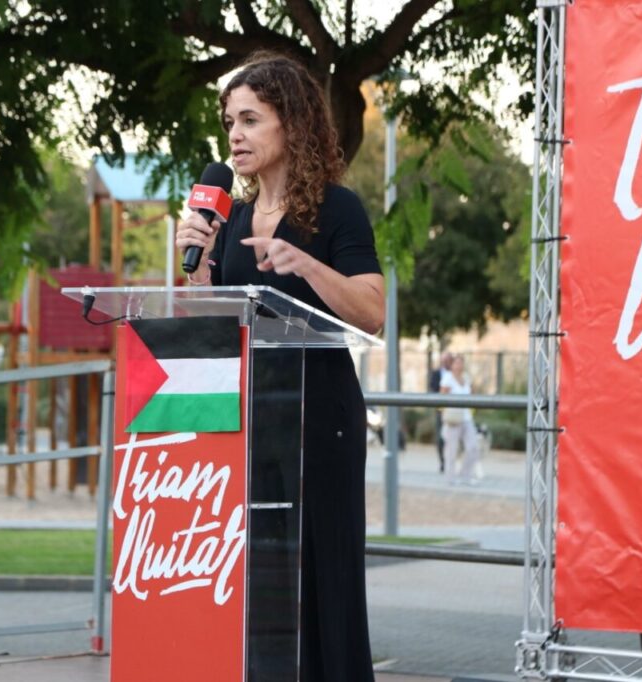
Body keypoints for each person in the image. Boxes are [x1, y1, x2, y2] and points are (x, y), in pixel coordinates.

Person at [175, 50, 385, 682]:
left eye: (250, 120)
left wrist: (303, 262)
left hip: (319, 422)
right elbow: (204, 329)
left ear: (289, 125)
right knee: (256, 583)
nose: (234, 135)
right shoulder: (230, 218)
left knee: (323, 578)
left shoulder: (336, 208)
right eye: (229, 122)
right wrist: (197, 263)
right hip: (249, 423)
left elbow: (372, 310)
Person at [439, 354, 481, 485]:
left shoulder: (467, 378)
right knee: (451, 449)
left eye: (461, 363)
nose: (459, 365)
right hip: (453, 417)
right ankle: (450, 477)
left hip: (467, 416)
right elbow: (442, 397)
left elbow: (473, 394)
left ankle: (466, 475)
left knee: (472, 447)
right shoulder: (447, 379)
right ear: (452, 365)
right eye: (456, 363)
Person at [429, 351, 454, 473]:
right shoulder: (436, 373)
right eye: (443, 360)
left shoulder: (456, 373)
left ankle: (452, 462)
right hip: (441, 409)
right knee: (441, 437)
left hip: (455, 410)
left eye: (448, 360)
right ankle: (443, 462)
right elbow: (432, 389)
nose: (445, 363)